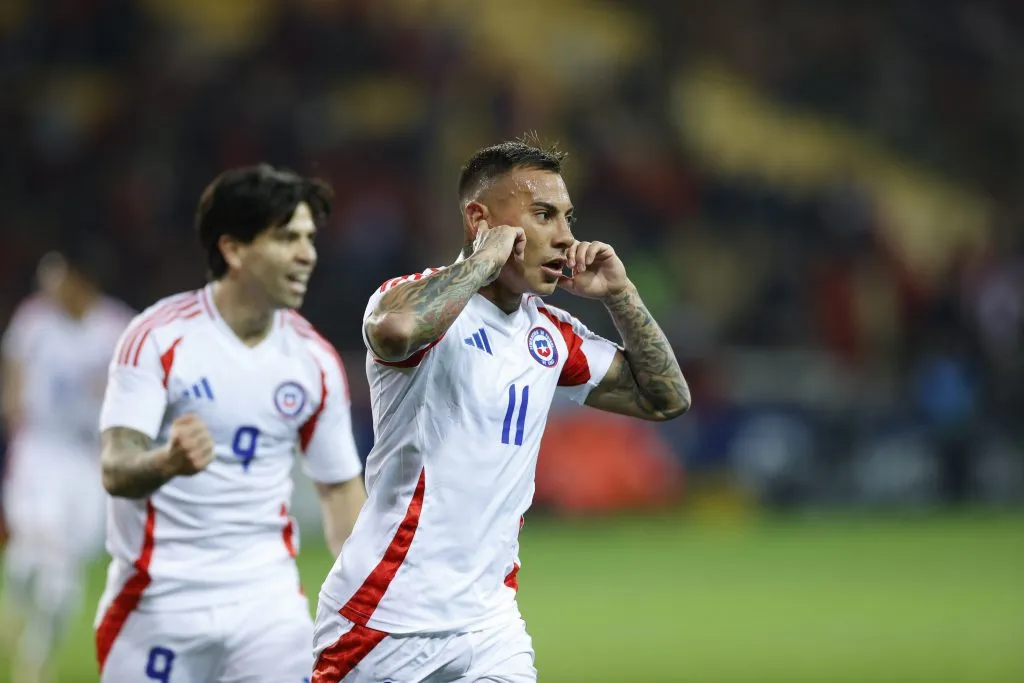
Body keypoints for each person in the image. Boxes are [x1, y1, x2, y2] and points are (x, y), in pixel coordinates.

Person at [312, 139, 691, 682]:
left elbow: (667, 399)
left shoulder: (550, 334)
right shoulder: (412, 300)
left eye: (566, 217)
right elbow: (395, 333)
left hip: (490, 621)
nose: (565, 236)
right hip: (386, 616)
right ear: (479, 219)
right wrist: (483, 261)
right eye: (543, 215)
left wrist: (620, 294)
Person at [94, 164, 367, 683]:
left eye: (309, 238)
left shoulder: (314, 360)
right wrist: (166, 461)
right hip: (158, 602)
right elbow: (115, 465)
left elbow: (339, 494)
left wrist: (373, 596)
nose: (307, 254)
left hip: (266, 606)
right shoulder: (157, 338)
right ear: (234, 249)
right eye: (287, 238)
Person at [1, 246, 134, 683]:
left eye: (57, 277)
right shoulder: (35, 321)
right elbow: (14, 372)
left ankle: (35, 660)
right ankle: (16, 609)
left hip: (87, 464)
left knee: (62, 576)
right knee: (29, 556)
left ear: (82, 280)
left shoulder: (116, 328)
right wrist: (15, 407)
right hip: (38, 453)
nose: (49, 287)